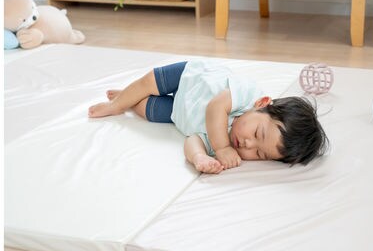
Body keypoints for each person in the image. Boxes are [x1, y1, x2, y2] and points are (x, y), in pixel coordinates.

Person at [88, 60, 329, 174]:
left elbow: (192, 140)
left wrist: (200, 157)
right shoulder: (247, 95)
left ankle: (130, 98)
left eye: (260, 154)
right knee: (150, 81)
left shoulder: (229, 148)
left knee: (144, 110)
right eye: (257, 133)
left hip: (178, 112)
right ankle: (117, 104)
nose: (248, 145)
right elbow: (216, 106)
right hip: (190, 78)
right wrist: (222, 147)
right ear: (262, 104)